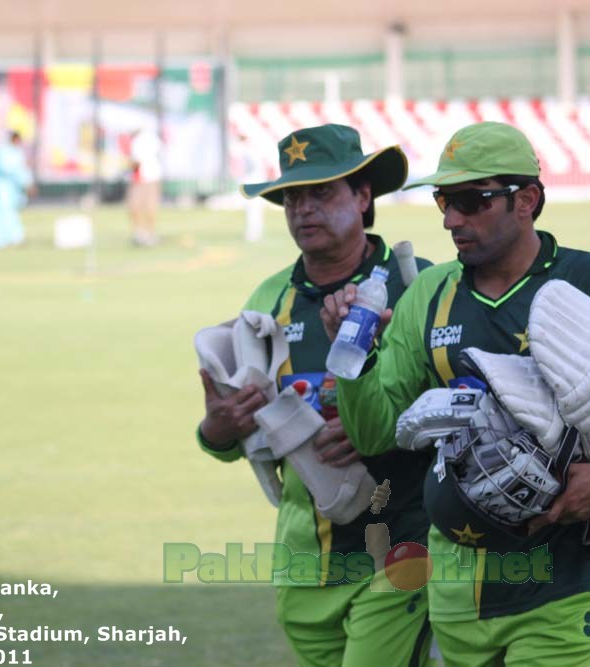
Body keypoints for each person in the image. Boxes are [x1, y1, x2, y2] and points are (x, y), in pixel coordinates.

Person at [320, 122, 590, 666]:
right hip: (454, 593)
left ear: (528, 200)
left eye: (471, 200)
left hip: (565, 587)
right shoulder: (430, 294)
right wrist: (352, 359)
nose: (451, 219)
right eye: (444, 200)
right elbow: (375, 434)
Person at [196, 124, 434, 666]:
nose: (304, 208)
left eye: (322, 191)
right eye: (292, 197)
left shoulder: (419, 283)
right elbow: (235, 437)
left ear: (364, 195)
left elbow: (466, 404)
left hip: (405, 541)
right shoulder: (267, 300)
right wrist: (218, 429)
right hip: (306, 558)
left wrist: (376, 426)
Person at [0, 131, 33, 248]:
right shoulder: (3, 151)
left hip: (12, 188)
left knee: (11, 211)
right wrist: (26, 181)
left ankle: (15, 237)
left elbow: (21, 169)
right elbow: (10, 168)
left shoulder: (17, 152)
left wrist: (28, 182)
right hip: (0, 187)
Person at [127, 126, 163, 246]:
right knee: (149, 204)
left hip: (143, 175)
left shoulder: (138, 141)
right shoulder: (152, 137)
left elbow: (136, 162)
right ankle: (148, 233)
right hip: (152, 174)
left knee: (139, 203)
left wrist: (129, 167)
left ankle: (142, 233)